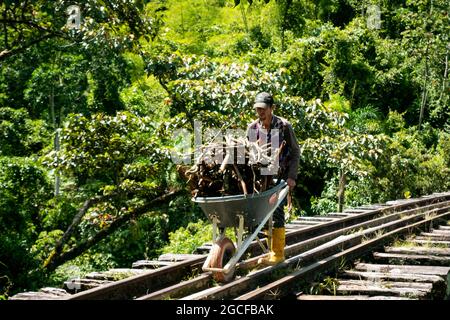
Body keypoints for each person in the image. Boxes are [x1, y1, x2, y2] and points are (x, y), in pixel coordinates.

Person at [246, 92, 300, 265]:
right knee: (258, 214)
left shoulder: (283, 126)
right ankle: (263, 251)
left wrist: (291, 177)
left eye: (263, 109)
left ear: (271, 108)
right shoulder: (253, 128)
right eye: (257, 109)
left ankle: (278, 253)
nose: (260, 112)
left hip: (280, 177)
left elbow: (295, 151)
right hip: (260, 178)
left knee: (276, 211)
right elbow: (249, 154)